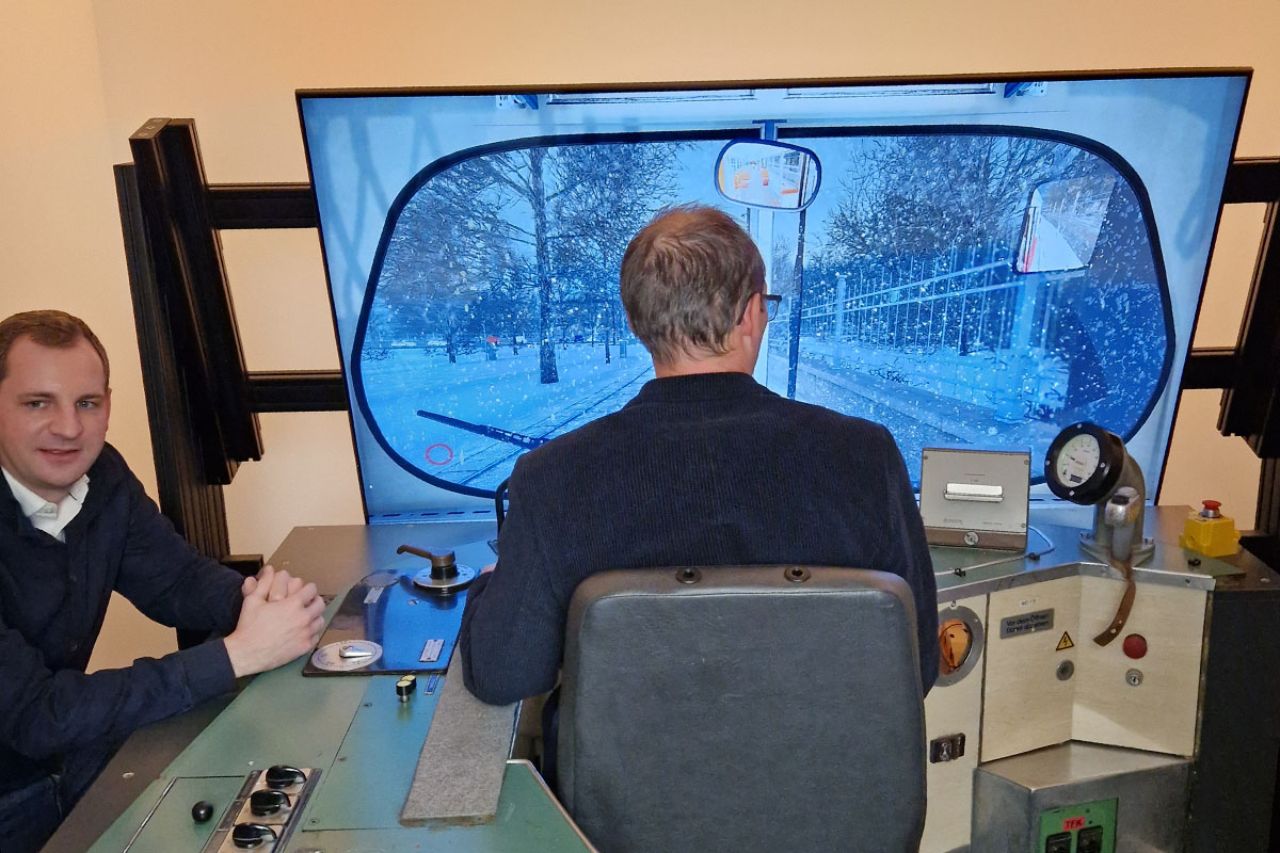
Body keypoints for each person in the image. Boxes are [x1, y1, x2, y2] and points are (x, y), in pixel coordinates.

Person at [458, 205, 938, 780]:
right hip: (823, 793)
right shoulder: (865, 457)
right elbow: (916, 664)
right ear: (753, 313)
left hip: (619, 811)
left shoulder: (553, 477)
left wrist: (488, 591)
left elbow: (502, 675)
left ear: (636, 323)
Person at [0, 310, 327, 853]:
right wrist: (235, 655)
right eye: (38, 403)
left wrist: (263, 603)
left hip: (64, 763)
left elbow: (176, 581)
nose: (69, 428)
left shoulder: (102, 475)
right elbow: (37, 714)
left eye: (87, 403)